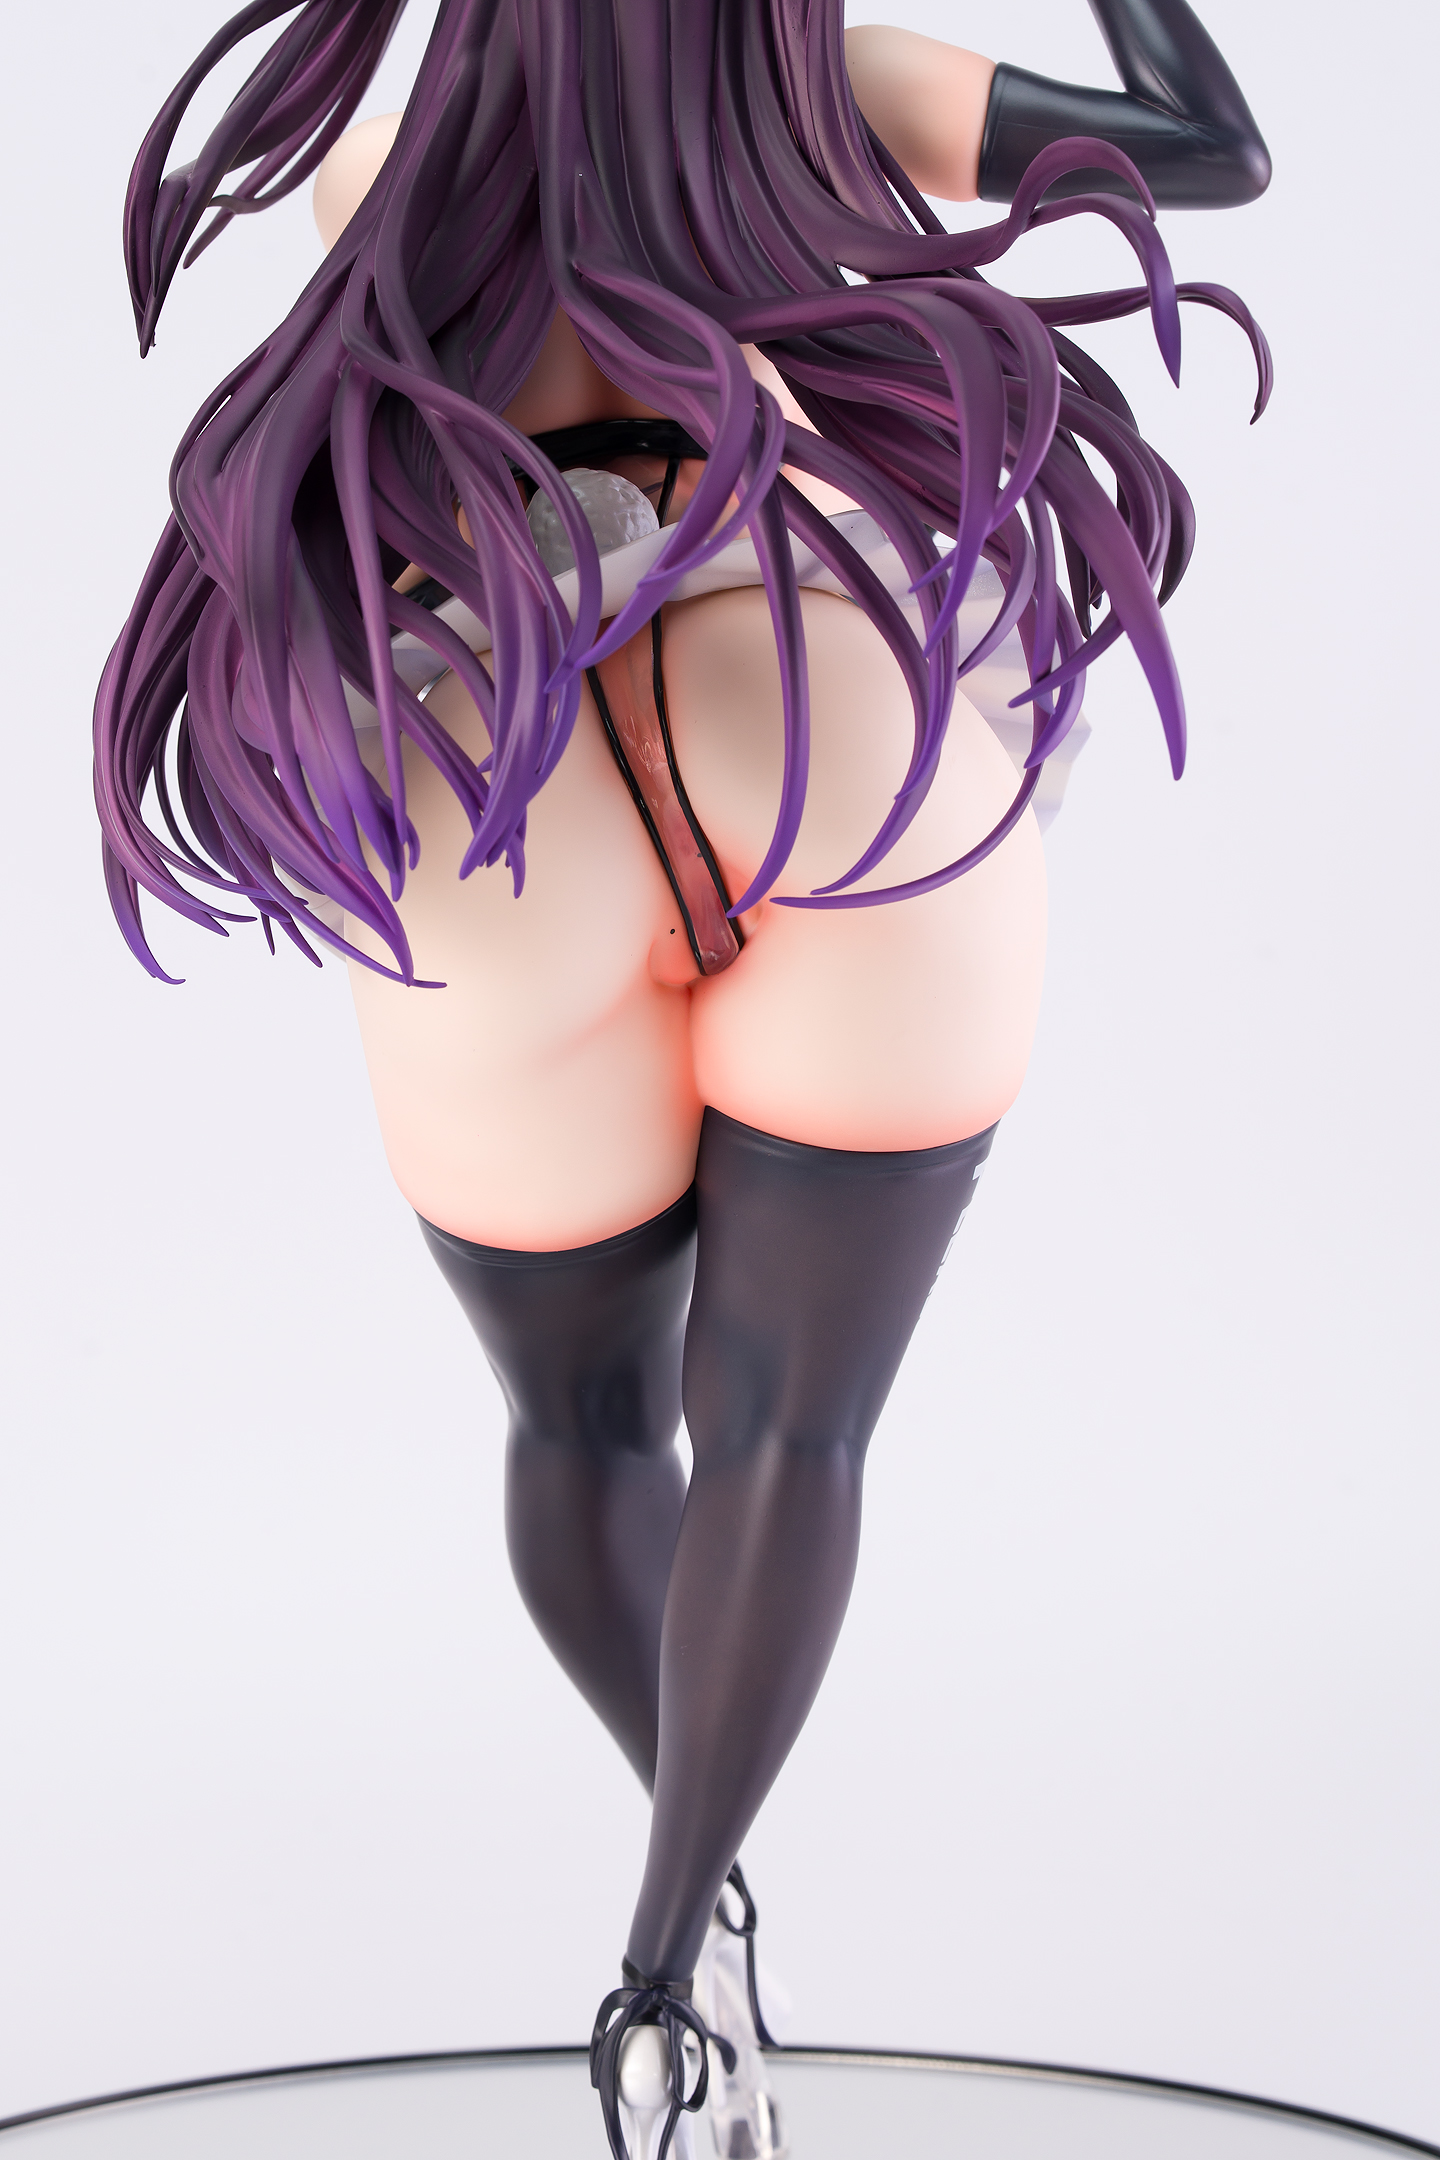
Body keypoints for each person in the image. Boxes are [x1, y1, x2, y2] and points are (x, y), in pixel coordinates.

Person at [95, 3, 1270, 2153]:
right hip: (820, 701)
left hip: (497, 786)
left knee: (579, 1424)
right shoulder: (826, 80)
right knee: (794, 1432)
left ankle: (703, 1930)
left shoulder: (390, 146)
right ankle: (660, 1959)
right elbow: (1206, 148)